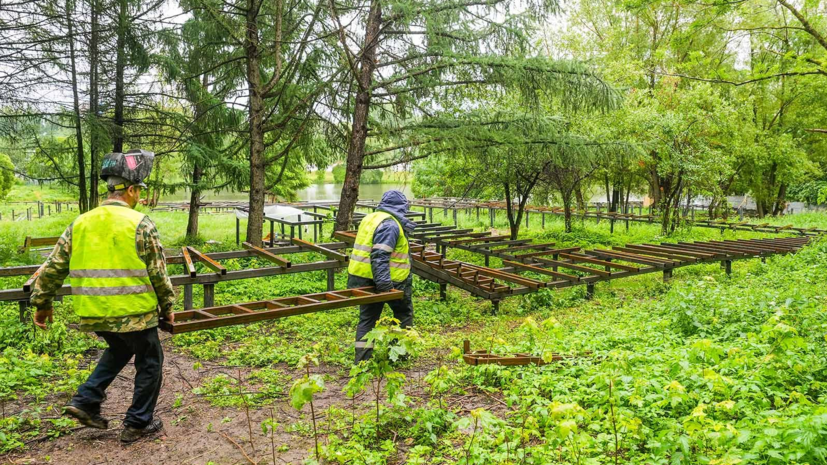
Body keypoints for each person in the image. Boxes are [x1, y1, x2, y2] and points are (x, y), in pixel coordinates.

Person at [29, 149, 176, 444]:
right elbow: (158, 272)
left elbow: (53, 267)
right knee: (150, 361)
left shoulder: (80, 223)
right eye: (139, 191)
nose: (140, 197)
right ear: (131, 190)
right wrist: (168, 306)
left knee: (120, 348)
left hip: (93, 311)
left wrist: (42, 305)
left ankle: (85, 401)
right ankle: (138, 423)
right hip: (134, 311)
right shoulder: (140, 223)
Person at [347, 190, 417, 362]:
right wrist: (386, 288)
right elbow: (380, 256)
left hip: (362, 278)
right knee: (403, 314)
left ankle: (362, 361)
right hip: (391, 281)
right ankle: (399, 355)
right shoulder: (390, 224)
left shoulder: (371, 218)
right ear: (401, 207)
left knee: (367, 319)